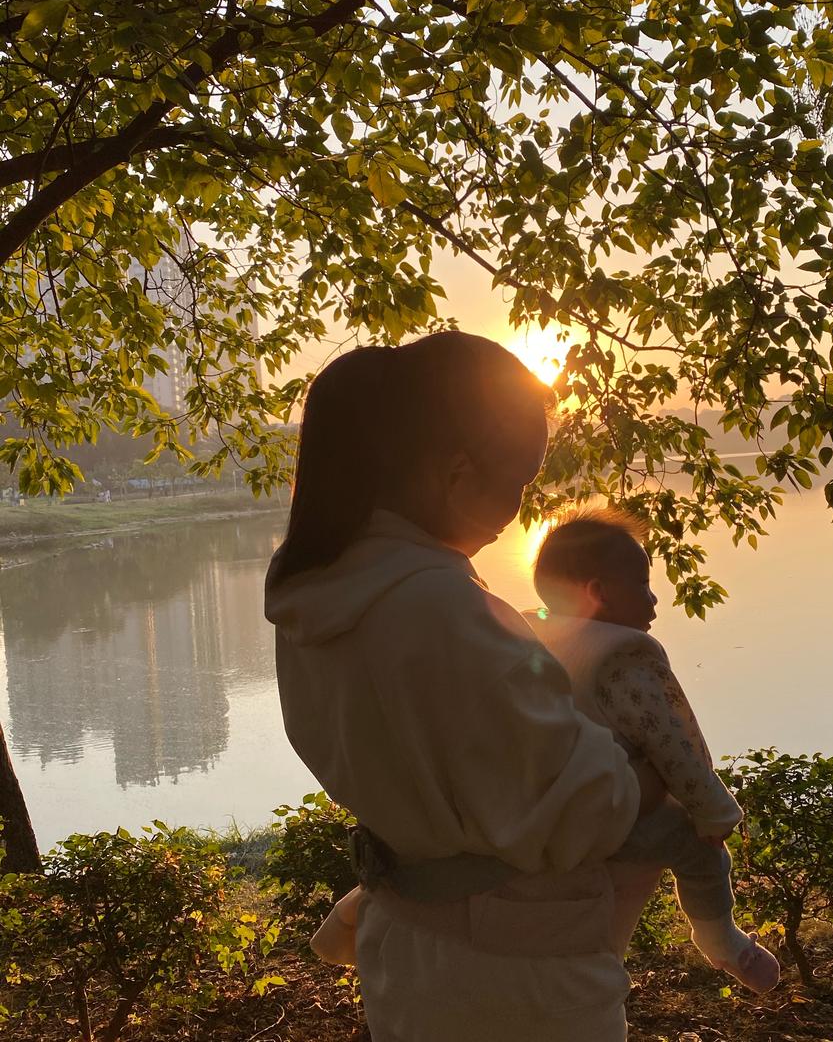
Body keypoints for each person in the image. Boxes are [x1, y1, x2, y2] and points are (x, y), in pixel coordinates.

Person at [265, 333, 666, 1042]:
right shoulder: (444, 609)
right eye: (519, 478)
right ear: (456, 472)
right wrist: (638, 768)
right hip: (522, 978)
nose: (521, 502)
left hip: (410, 953)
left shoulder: (316, 597)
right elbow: (579, 811)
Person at [526, 508, 780, 994]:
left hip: (543, 814)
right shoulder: (624, 655)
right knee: (701, 853)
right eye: (643, 584)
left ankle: (351, 910)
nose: (654, 598)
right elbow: (674, 744)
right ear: (598, 593)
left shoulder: (530, 634)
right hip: (614, 816)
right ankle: (722, 941)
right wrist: (713, 811)